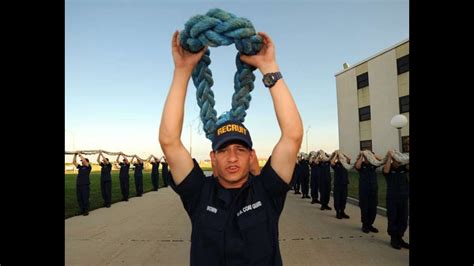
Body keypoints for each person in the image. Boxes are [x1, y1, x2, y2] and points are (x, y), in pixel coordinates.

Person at [159, 31, 303, 265]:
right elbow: (169, 142)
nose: (232, 157)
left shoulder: (267, 191)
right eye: (224, 151)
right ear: (213, 158)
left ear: (251, 156)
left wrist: (269, 67)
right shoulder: (200, 194)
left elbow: (293, 135)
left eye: (241, 149)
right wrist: (182, 71)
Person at [383, 150, 410, 250]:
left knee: (403, 219)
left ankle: (400, 238)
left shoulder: (403, 168)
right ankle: (393, 239)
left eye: (399, 161)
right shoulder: (388, 170)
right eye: (396, 161)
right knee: (393, 218)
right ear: (392, 161)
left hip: (403, 197)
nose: (398, 163)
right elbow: (385, 171)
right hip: (392, 198)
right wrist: (390, 156)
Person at [355, 150, 381, 233]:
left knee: (373, 208)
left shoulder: (373, 164)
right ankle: (365, 225)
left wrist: (373, 155)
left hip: (373, 189)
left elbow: (381, 161)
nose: (368, 159)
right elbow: (357, 166)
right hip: (364, 190)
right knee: (364, 208)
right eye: (367, 157)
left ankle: (370, 224)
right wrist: (362, 155)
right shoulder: (361, 165)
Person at [331, 151, 351, 219]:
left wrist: (344, 154)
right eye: (340, 158)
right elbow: (332, 163)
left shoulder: (345, 164)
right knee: (337, 198)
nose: (341, 158)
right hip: (337, 184)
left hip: (344, 183)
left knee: (343, 199)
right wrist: (336, 155)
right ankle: (338, 212)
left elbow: (349, 159)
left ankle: (342, 211)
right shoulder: (336, 164)